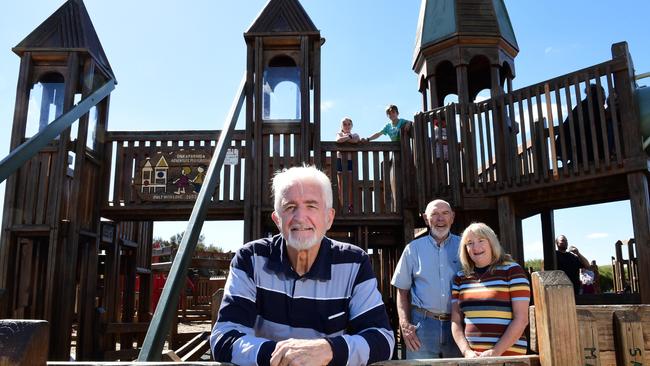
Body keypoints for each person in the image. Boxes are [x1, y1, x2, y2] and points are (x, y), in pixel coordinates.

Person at [210, 165, 394, 365]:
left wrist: (328, 349)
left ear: (329, 218)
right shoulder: (250, 258)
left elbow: (382, 340)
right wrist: (286, 355)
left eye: (311, 206)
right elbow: (224, 338)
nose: (299, 217)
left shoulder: (355, 262)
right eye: (290, 207)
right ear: (277, 219)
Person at [391, 199, 462, 359]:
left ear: (452, 217)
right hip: (422, 327)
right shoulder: (412, 249)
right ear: (425, 219)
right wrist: (405, 324)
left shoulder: (464, 246)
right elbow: (402, 292)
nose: (440, 219)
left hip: (459, 325)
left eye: (445, 213)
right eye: (434, 214)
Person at [451, 222, 530, 357]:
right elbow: (456, 321)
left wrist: (495, 352)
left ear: (492, 242)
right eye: (470, 243)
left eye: (481, 240)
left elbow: (521, 319)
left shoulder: (512, 271)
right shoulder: (460, 277)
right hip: (474, 360)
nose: (476, 247)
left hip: (508, 358)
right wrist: (466, 351)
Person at [335, 117, 360, 213]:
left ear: (352, 125)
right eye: (344, 124)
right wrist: (349, 137)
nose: (347, 126)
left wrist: (346, 138)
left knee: (349, 183)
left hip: (350, 161)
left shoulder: (355, 134)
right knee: (340, 183)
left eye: (349, 124)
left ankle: (349, 205)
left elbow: (356, 140)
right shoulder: (339, 134)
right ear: (341, 126)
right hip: (340, 160)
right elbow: (338, 140)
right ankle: (342, 205)